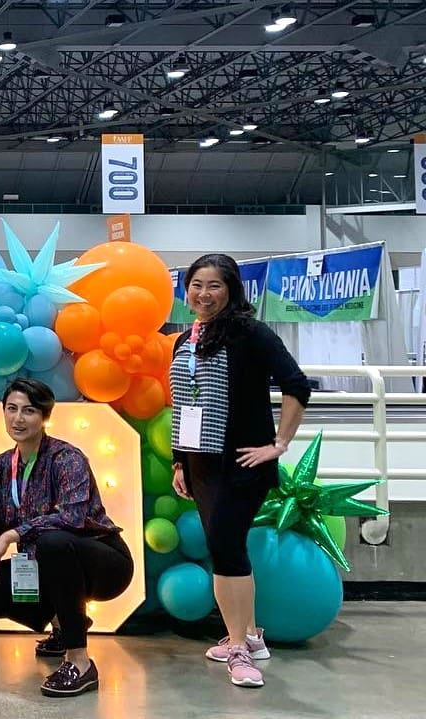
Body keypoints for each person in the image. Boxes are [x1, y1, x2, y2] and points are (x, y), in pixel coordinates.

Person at [170, 253, 309, 689]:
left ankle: (239, 649)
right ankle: (249, 635)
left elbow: (296, 384)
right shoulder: (184, 339)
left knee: (228, 551)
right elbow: (184, 402)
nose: (203, 294)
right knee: (225, 548)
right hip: (200, 464)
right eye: (196, 284)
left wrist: (278, 445)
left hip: (240, 464)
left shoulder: (251, 333)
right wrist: (180, 461)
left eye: (214, 285)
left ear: (231, 289)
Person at [0, 378, 132, 698]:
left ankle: (79, 662)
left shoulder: (66, 458)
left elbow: (71, 518)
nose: (18, 418)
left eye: (29, 411)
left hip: (104, 563)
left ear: (45, 417)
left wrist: (13, 532)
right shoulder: (0, 465)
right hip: (45, 565)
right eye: (11, 409)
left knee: (53, 542)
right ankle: (64, 623)